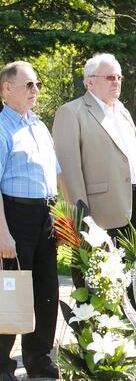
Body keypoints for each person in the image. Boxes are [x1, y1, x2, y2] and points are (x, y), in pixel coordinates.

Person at [0, 61, 60, 380]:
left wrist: (61, 217)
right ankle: (2, 363)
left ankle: (39, 358)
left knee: (47, 288)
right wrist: (3, 234)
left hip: (45, 214)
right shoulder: (1, 128)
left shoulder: (38, 125)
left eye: (37, 84)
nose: (35, 90)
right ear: (7, 89)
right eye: (29, 85)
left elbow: (55, 174)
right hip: (14, 214)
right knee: (12, 290)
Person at [53, 54, 136, 238]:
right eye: (110, 77)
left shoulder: (123, 111)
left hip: (135, 205)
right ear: (90, 82)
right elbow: (68, 171)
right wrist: (81, 218)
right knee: (99, 267)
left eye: (119, 77)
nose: (116, 82)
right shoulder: (72, 112)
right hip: (100, 213)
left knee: (133, 266)